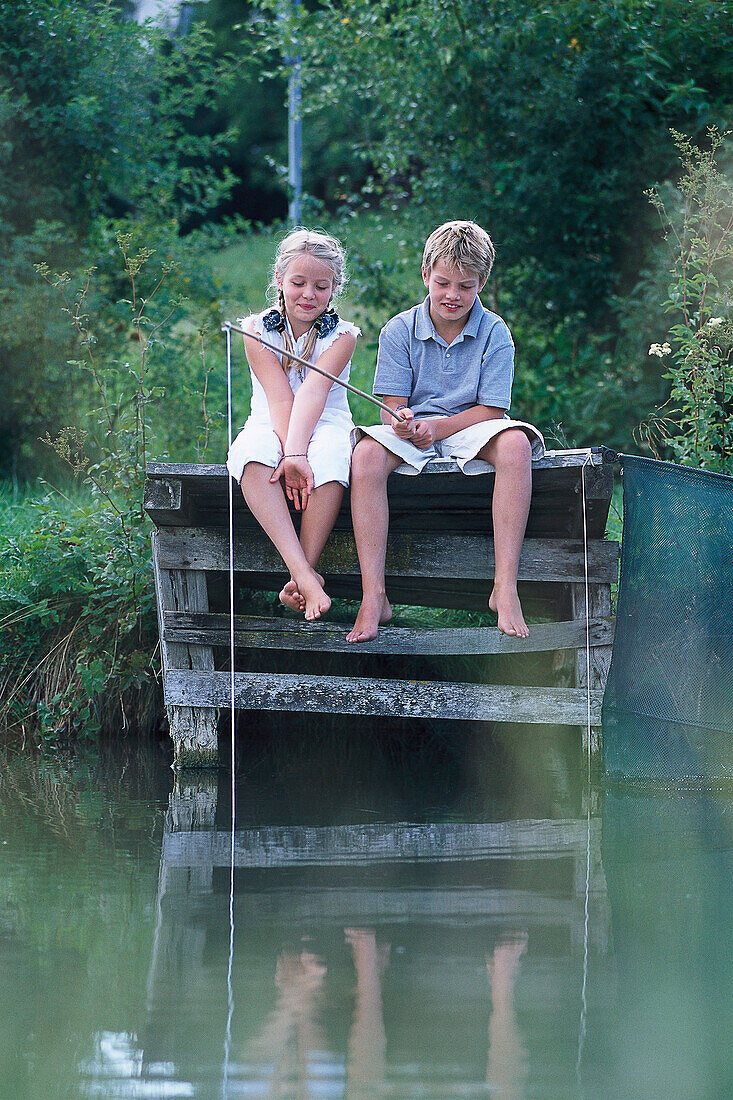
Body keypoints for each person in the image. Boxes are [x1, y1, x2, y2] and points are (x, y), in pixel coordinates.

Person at [346, 220, 544, 644]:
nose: (453, 295)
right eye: (443, 283)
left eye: (466, 286)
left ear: (482, 284)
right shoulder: (399, 329)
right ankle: (373, 593)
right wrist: (404, 421)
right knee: (364, 454)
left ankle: (504, 586)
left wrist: (440, 428)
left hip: (471, 426)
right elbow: (391, 408)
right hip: (418, 430)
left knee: (515, 444)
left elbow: (493, 408)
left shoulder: (495, 332)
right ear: (425, 276)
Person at [226, 228, 359, 621]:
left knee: (333, 459)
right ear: (279, 282)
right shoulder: (254, 330)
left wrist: (300, 455)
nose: (308, 295)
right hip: (271, 417)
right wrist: (291, 454)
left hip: (327, 420)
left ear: (334, 288)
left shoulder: (343, 336)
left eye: (321, 286)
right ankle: (303, 574)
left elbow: (314, 395)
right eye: (298, 283)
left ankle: (303, 573)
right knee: (252, 455)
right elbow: (281, 396)